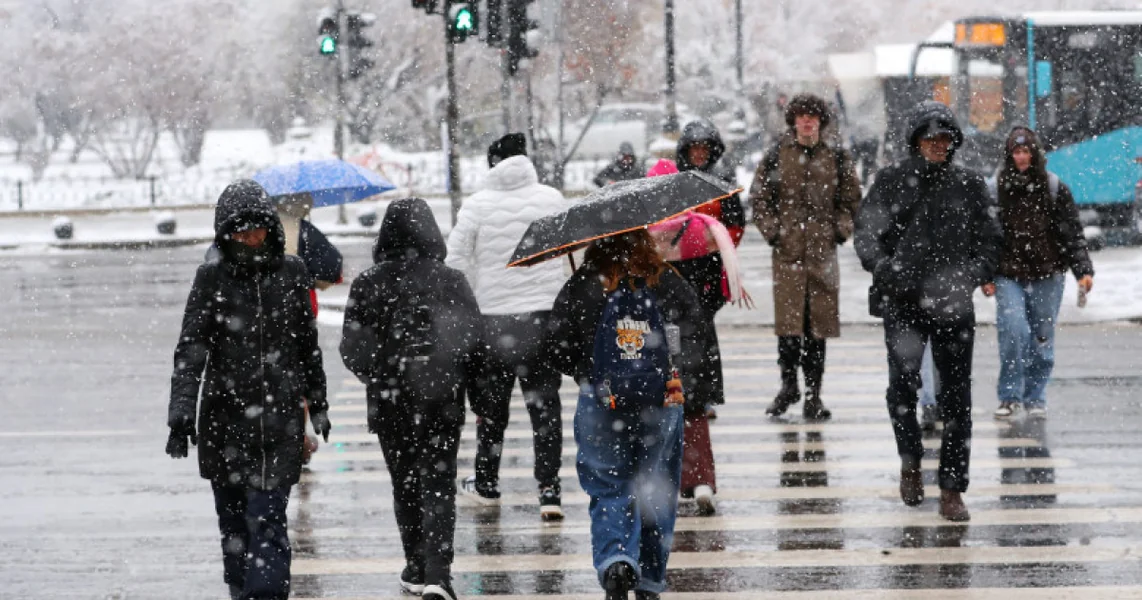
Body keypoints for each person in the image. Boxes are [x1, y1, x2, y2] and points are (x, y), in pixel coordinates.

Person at [166, 179, 329, 600]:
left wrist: (321, 402)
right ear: (225, 233)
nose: (250, 238)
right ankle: (241, 592)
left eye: (257, 229)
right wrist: (181, 413)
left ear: (270, 230)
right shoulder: (211, 278)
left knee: (269, 521)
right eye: (240, 231)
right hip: (225, 423)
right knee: (235, 527)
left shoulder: (292, 273)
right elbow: (190, 351)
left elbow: (307, 346)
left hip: (278, 426)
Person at [855, 101, 1003, 522]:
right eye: (930, 138)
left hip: (953, 306)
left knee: (957, 397)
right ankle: (910, 461)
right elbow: (866, 235)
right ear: (916, 141)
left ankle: (953, 487)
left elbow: (992, 242)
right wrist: (885, 269)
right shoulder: (890, 181)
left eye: (945, 138)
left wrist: (969, 276)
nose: (938, 145)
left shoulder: (970, 185)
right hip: (903, 303)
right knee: (902, 389)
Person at [547, 229, 708, 600]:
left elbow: (555, 346)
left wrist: (588, 374)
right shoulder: (666, 278)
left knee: (608, 487)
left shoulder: (586, 282)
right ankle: (650, 580)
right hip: (662, 401)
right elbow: (695, 332)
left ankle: (616, 560)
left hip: (602, 401)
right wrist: (681, 379)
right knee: (656, 489)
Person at [340, 197, 484, 600]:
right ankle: (439, 574)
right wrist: (467, 386)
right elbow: (474, 342)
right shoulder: (450, 280)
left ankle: (417, 565)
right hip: (442, 399)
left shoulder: (368, 283)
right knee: (438, 482)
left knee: (404, 484)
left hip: (390, 403)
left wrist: (383, 372)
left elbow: (352, 348)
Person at [447, 132, 570, 520]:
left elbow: (455, 260)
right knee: (545, 407)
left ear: (492, 164)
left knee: (491, 408)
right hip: (543, 318)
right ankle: (549, 490)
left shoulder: (476, 206)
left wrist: (475, 295)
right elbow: (569, 255)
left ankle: (486, 483)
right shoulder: (552, 199)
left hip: (493, 322)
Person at [750, 93, 862, 421]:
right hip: (788, 255)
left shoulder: (836, 156)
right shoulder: (776, 155)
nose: (807, 121)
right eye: (801, 116)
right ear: (793, 120)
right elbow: (760, 199)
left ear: (821, 121)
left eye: (812, 116)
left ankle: (814, 394)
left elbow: (851, 198)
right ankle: (789, 386)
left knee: (818, 329)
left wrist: (839, 231)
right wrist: (774, 232)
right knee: (788, 328)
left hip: (821, 255)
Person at [982, 127, 1094, 420]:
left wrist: (1083, 270)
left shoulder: (1053, 187)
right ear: (1009, 155)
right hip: (1009, 274)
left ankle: (1035, 397)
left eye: (1026, 152)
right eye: (1016, 152)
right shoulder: (996, 188)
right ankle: (1009, 396)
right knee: (1014, 331)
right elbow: (985, 235)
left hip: (1048, 273)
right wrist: (985, 274)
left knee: (1042, 340)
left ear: (1035, 154)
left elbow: (1071, 233)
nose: (1021, 158)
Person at [673, 121, 744, 513]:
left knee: (698, 347)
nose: (700, 154)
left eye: (706, 148)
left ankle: (698, 396)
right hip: (678, 277)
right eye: (694, 148)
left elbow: (735, 227)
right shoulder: (673, 184)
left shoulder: (722, 184)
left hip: (706, 279)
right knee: (678, 354)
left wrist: (711, 240)